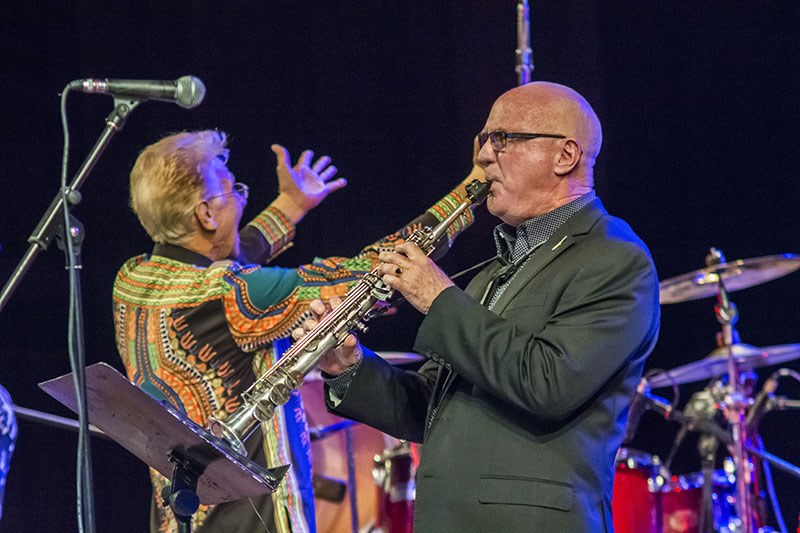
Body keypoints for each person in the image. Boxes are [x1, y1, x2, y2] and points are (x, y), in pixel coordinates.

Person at [306, 82, 661, 532]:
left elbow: (549, 383)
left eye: (504, 139)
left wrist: (438, 298)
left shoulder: (614, 257)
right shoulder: (492, 274)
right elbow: (430, 406)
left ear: (565, 156)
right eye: (484, 140)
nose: (484, 157)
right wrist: (348, 367)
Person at [112, 130, 481, 532]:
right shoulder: (230, 292)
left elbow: (225, 251)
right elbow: (379, 269)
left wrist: (291, 204)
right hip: (252, 521)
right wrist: (472, 189)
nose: (242, 198)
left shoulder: (132, 280)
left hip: (179, 518)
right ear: (206, 214)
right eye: (233, 190)